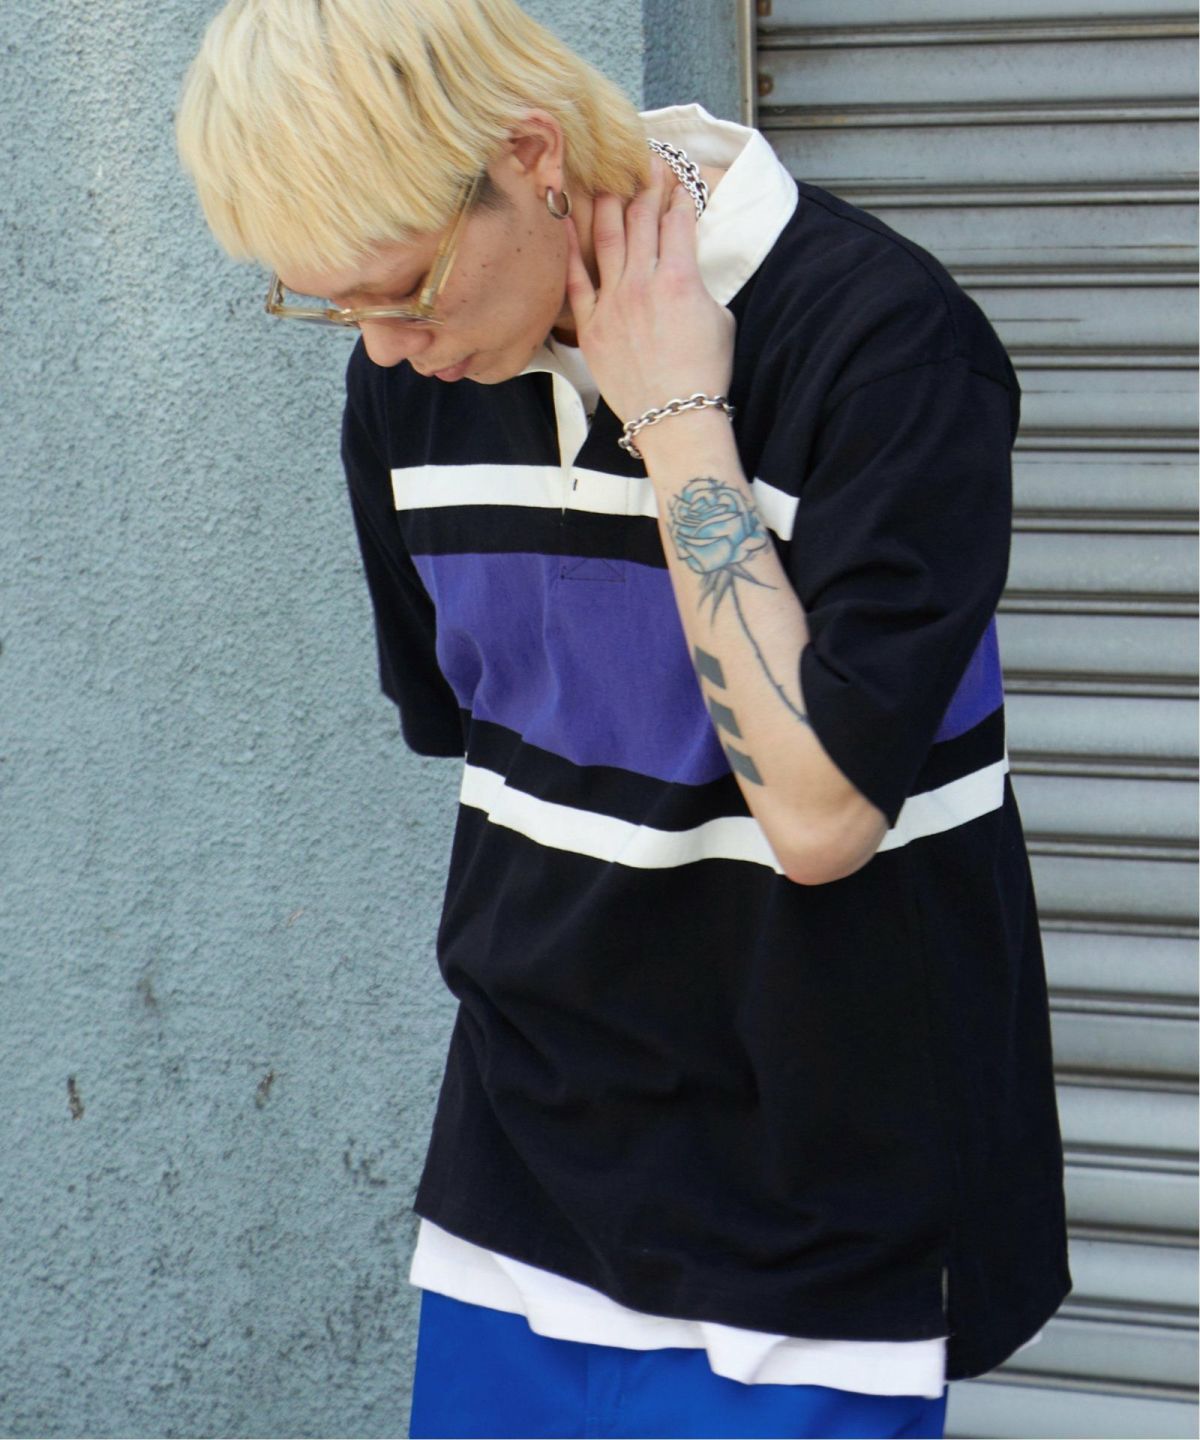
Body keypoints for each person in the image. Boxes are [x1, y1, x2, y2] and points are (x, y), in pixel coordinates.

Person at [176, 2, 1072, 1435]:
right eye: (332, 310)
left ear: (531, 157)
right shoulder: (413, 385)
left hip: (820, 1222)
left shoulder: (885, 347)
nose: (388, 351)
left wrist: (677, 426)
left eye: (403, 291)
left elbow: (822, 815)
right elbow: (485, 739)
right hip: (514, 1195)